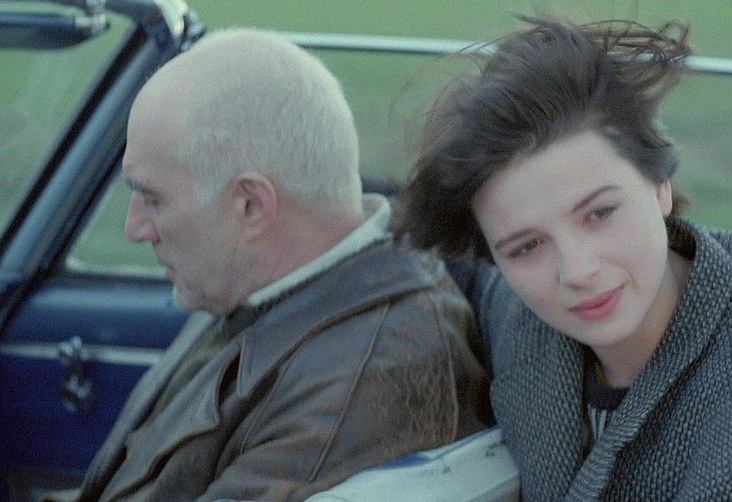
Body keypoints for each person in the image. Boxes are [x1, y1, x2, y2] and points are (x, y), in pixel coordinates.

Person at [394, 17, 732, 500]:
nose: (578, 272)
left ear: (660, 183)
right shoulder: (521, 315)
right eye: (526, 247)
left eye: (600, 213)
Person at [46, 28, 490, 502]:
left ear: (251, 206)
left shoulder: (357, 391)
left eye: (153, 199)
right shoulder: (259, 282)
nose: (135, 228)